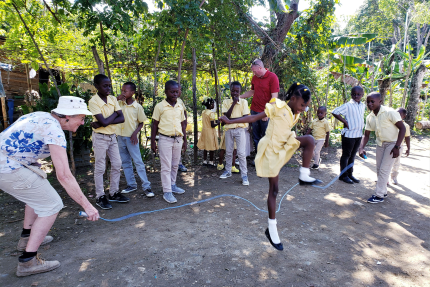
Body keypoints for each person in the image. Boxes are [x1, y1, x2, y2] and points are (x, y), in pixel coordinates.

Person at [0, 96, 99, 277]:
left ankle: (26, 238)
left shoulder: (41, 116)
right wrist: (88, 206)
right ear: (67, 117)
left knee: (38, 190)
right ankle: (28, 261)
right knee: (52, 205)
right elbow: (64, 176)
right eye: (81, 118)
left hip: (8, 162)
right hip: (7, 167)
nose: (83, 122)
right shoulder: (55, 130)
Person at [220, 82, 322, 251]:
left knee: (310, 140)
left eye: (306, 106)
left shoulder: (293, 112)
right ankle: (272, 229)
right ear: (294, 98)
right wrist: (230, 120)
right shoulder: (277, 106)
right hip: (271, 151)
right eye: (303, 105)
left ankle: (304, 175)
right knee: (274, 190)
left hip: (284, 146)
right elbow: (253, 118)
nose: (304, 109)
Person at [89, 74, 129, 210]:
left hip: (112, 136)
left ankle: (113, 192)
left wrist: (101, 123)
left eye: (109, 85)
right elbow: (106, 121)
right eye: (105, 85)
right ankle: (100, 196)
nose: (108, 88)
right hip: (100, 137)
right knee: (100, 167)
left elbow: (121, 118)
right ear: (97, 86)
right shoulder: (93, 101)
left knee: (117, 164)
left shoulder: (112, 99)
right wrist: (108, 120)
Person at [358, 92, 406, 204]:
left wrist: (397, 147)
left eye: (372, 101)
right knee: (380, 169)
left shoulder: (390, 112)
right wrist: (361, 148)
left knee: (384, 169)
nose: (370, 104)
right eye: (368, 102)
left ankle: (379, 195)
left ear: (380, 101)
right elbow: (366, 135)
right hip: (380, 144)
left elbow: (402, 129)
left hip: (392, 144)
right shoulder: (370, 117)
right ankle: (383, 191)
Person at [151, 80, 187, 204]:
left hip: (178, 139)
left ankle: (172, 185)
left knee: (175, 164)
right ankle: (167, 191)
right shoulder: (160, 106)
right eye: (172, 92)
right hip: (165, 139)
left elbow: (183, 124)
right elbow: (154, 125)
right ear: (166, 92)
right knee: (166, 166)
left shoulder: (180, 106)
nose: (175, 94)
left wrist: (185, 140)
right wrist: (152, 141)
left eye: (177, 91)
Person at [116, 82, 154, 197]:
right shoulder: (118, 103)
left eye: (125, 91)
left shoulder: (137, 107)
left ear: (132, 93)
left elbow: (141, 122)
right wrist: (115, 99)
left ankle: (146, 186)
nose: (123, 93)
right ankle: (131, 184)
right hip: (120, 136)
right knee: (125, 162)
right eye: (122, 90)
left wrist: (135, 134)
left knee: (138, 162)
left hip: (131, 138)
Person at [240, 59, 279, 152]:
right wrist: (239, 97)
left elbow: (274, 97)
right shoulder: (255, 78)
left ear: (260, 68)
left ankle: (267, 158)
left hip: (265, 112)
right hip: (254, 110)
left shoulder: (272, 77)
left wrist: (267, 113)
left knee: (266, 136)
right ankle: (258, 157)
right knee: (256, 136)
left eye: (254, 71)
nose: (253, 73)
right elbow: (252, 91)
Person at [332, 86, 365, 184]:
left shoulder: (362, 105)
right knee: (346, 155)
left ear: (362, 95)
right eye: (354, 94)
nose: (356, 96)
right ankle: (343, 175)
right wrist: (344, 122)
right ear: (351, 95)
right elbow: (334, 112)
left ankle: (350, 174)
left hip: (358, 134)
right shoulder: (348, 105)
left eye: (359, 94)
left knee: (352, 156)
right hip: (349, 135)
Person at [220, 81, 250, 186]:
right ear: (230, 91)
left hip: (240, 130)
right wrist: (233, 103)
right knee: (228, 151)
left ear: (240, 91)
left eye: (237, 91)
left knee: (241, 153)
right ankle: (228, 171)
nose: (235, 93)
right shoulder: (226, 102)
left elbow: (245, 118)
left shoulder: (244, 102)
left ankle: (244, 175)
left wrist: (231, 120)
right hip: (228, 130)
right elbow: (226, 117)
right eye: (233, 91)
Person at [197, 97, 220, 166]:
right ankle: (211, 161)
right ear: (210, 105)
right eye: (213, 104)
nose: (214, 105)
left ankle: (204, 160)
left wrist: (215, 121)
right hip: (210, 131)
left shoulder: (204, 112)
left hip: (204, 131)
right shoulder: (211, 113)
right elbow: (212, 125)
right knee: (211, 147)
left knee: (205, 146)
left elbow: (207, 121)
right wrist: (218, 123)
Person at [390, 108, 411, 185]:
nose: (396, 115)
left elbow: (407, 137)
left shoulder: (405, 125)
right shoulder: (391, 123)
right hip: (389, 145)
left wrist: (408, 148)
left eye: (399, 114)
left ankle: (393, 177)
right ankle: (384, 179)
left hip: (399, 147)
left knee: (396, 162)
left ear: (404, 116)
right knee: (386, 162)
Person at [177, 85, 188, 172]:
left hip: (179, 128)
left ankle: (179, 164)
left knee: (179, 146)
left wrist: (185, 122)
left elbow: (184, 112)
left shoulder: (180, 101)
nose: (180, 91)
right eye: (179, 90)